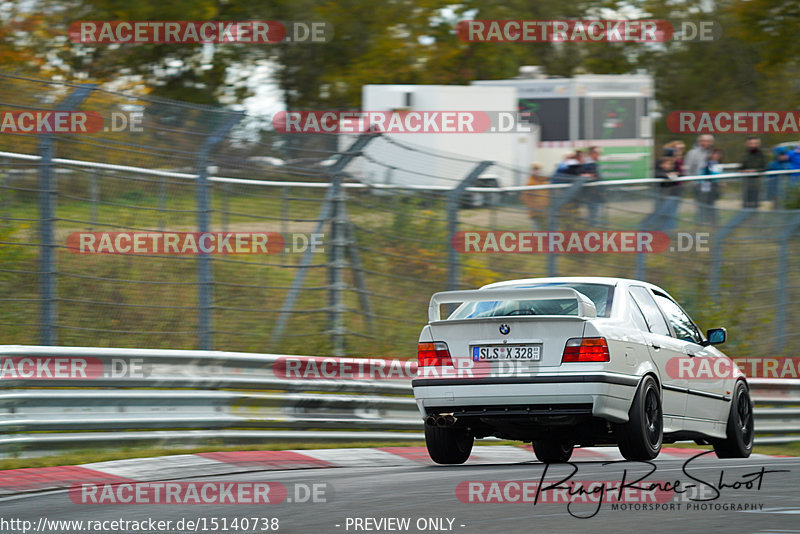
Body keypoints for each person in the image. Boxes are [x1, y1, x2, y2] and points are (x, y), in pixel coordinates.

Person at [697, 148, 723, 225]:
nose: (717, 156)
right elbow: (705, 175)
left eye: (718, 154)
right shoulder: (707, 164)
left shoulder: (716, 164)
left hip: (713, 187)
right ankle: (703, 221)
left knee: (711, 204)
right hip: (707, 187)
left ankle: (712, 221)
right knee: (705, 205)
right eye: (715, 154)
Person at [654, 157, 681, 230]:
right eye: (667, 164)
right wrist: (670, 175)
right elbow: (659, 175)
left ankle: (668, 231)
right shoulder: (658, 172)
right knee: (662, 213)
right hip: (662, 197)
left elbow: (681, 174)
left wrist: (674, 174)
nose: (670, 165)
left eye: (671, 164)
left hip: (673, 196)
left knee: (672, 214)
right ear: (661, 165)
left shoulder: (673, 171)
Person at [740, 137, 767, 209]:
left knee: (755, 202)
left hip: (756, 182)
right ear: (747, 144)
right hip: (746, 182)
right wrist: (744, 171)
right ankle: (745, 218)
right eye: (751, 143)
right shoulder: (744, 155)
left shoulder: (761, 155)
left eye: (755, 143)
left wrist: (755, 171)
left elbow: (764, 167)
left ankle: (755, 218)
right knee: (746, 202)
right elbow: (740, 167)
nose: (753, 145)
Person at [521, 163, 549, 230]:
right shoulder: (530, 183)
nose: (537, 171)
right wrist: (533, 207)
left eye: (538, 169)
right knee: (537, 230)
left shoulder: (544, 181)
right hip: (535, 212)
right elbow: (525, 197)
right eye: (534, 169)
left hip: (545, 211)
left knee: (546, 230)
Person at [581, 146, 603, 225]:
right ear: (593, 154)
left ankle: (592, 222)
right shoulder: (589, 164)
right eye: (597, 154)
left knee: (593, 207)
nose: (599, 156)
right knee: (593, 206)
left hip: (592, 191)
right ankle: (592, 223)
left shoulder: (589, 163)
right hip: (591, 191)